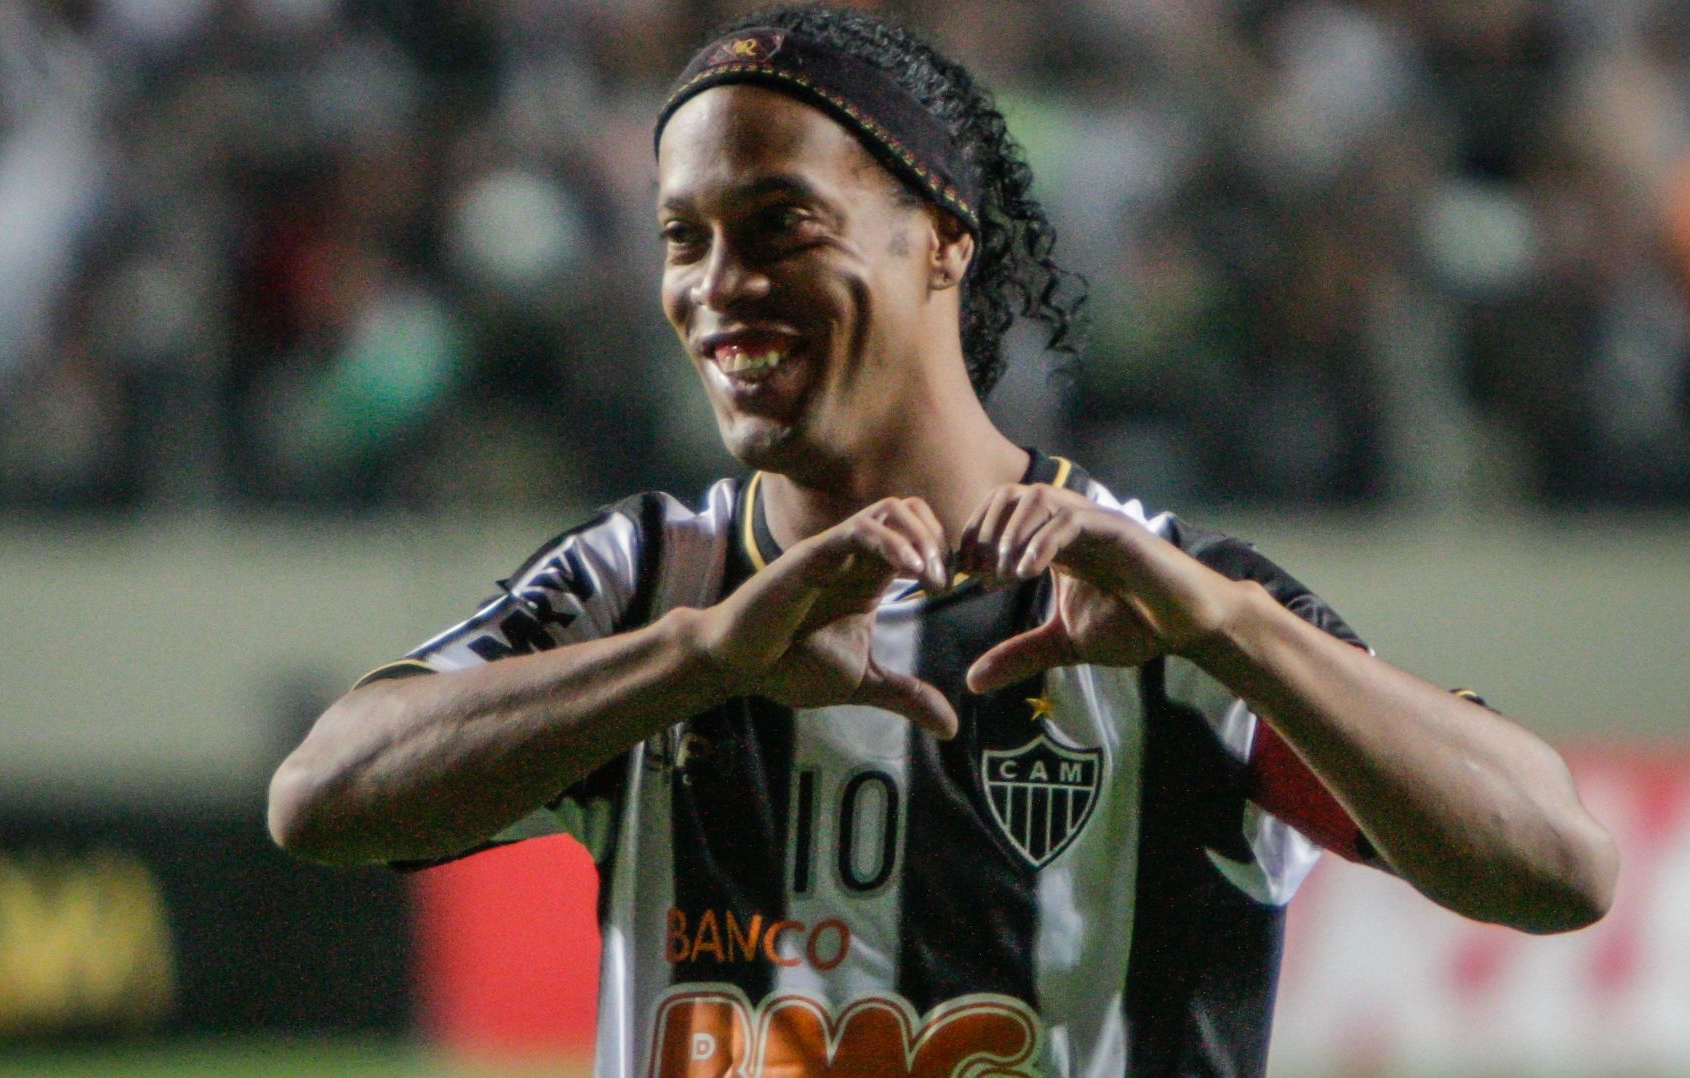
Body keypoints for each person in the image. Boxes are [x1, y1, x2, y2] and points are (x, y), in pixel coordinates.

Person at [267, 6, 1617, 1076]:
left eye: (779, 225)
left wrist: (1236, 633)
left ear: (939, 240)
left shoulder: (1153, 600)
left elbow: (1554, 863)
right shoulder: (649, 582)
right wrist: (697, 661)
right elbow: (323, 798)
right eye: (684, 238)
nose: (717, 286)